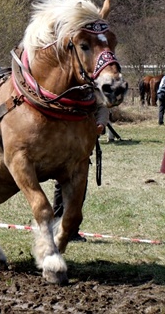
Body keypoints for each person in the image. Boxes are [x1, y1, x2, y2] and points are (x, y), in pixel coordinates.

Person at [53, 94, 110, 242]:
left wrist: (101, 124)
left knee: (78, 191)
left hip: (82, 146)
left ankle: (70, 230)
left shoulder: (90, 91)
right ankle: (56, 228)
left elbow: (102, 107)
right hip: (63, 143)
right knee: (63, 187)